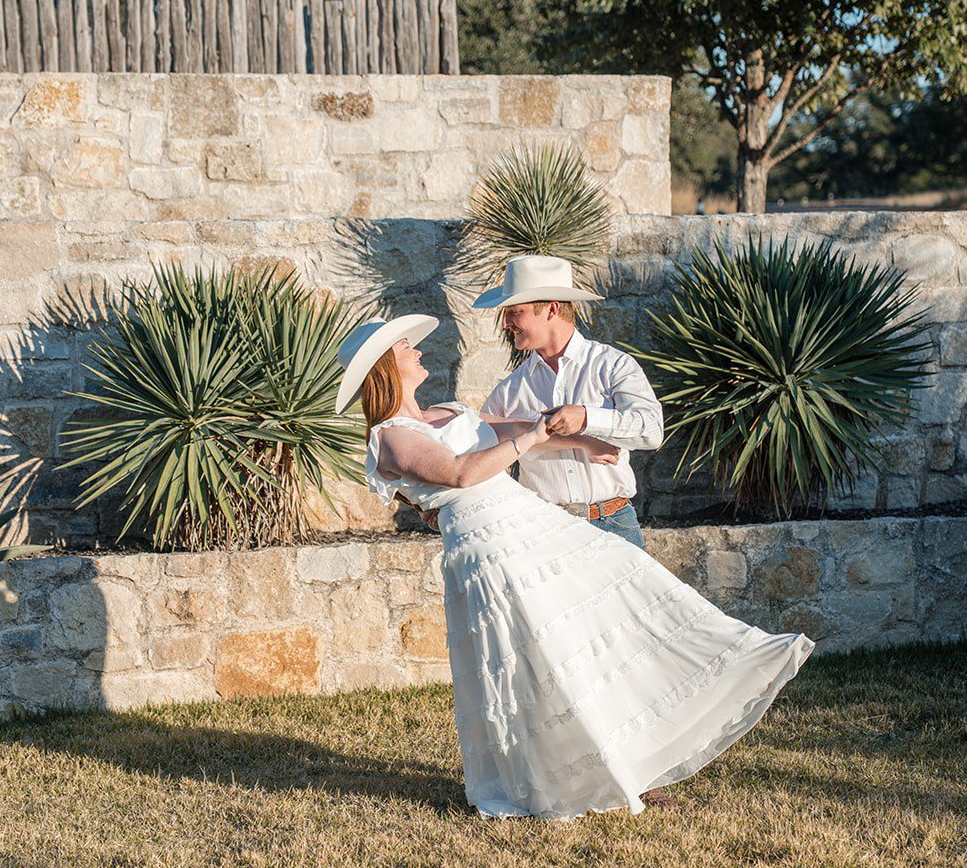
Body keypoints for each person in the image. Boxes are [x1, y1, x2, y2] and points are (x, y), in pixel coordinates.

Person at [334, 312, 814, 823]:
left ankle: (717, 664)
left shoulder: (447, 410)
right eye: (407, 348)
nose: (417, 352)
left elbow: (508, 429)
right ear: (387, 367)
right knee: (540, 660)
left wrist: (580, 440)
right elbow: (460, 471)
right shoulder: (391, 436)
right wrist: (534, 435)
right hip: (489, 550)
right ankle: (555, 778)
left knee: (612, 596)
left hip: (530, 524)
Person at [471, 253, 662, 549]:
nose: (506, 323)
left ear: (551, 309)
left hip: (615, 527)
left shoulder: (613, 366)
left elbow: (651, 430)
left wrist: (587, 418)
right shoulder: (508, 391)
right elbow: (483, 451)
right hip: (543, 530)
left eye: (515, 312)